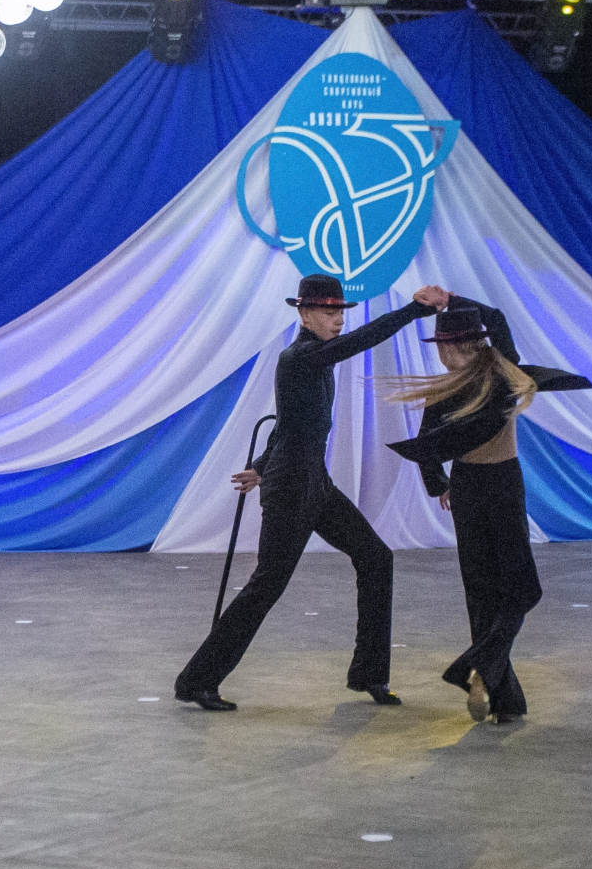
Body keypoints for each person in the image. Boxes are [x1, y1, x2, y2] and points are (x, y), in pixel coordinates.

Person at [175, 274, 452, 712]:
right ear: (305, 314)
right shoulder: (299, 357)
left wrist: (259, 467)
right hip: (291, 487)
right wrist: (415, 310)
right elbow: (357, 343)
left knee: (376, 558)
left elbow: (287, 425)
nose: (337, 320)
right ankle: (197, 681)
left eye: (340, 311)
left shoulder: (318, 360)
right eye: (327, 311)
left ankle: (369, 674)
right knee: (267, 584)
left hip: (312, 481)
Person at [385, 297, 591, 724]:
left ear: (453, 346)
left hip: (477, 487)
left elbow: (426, 448)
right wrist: (442, 485)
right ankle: (493, 689)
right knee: (506, 592)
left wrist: (442, 485)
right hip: (491, 485)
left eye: (442, 346)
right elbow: (427, 447)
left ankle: (485, 680)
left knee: (494, 594)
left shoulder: (495, 375)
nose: (441, 355)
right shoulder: (500, 374)